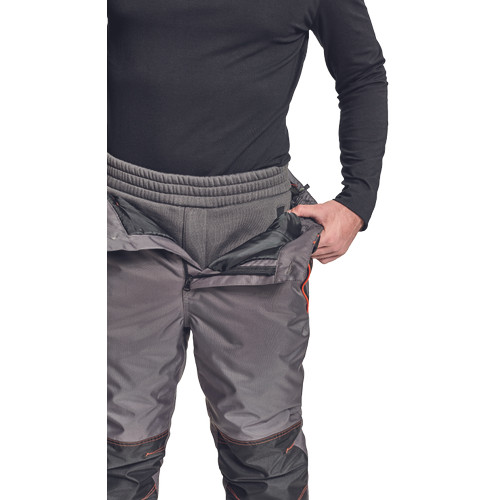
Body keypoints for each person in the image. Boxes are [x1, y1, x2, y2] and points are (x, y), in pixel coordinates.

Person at [107, 0, 388, 498]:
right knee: (112, 456)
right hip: (124, 220)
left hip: (256, 234)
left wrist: (358, 200)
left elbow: (362, 72)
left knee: (265, 458)